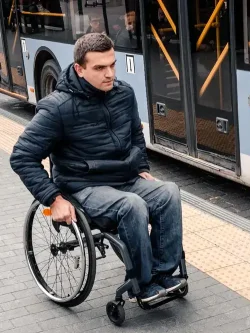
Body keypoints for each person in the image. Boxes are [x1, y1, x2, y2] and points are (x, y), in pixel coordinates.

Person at [9, 33, 185, 303]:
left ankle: (163, 274)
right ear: (79, 69)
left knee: (169, 192)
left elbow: (136, 134)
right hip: (83, 186)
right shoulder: (57, 108)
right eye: (100, 68)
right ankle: (143, 282)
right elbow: (21, 156)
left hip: (125, 177)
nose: (109, 74)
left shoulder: (124, 93)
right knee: (132, 205)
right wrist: (53, 199)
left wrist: (140, 166)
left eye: (112, 65)